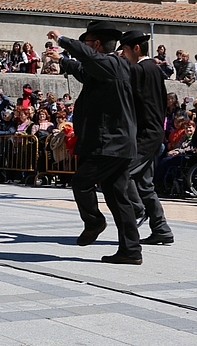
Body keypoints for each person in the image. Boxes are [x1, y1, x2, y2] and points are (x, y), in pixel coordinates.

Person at [45, 21, 142, 265]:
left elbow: (88, 59)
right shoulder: (106, 69)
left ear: (96, 43)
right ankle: (130, 250)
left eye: (88, 42)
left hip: (110, 144)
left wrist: (63, 39)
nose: (86, 46)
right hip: (115, 144)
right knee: (118, 198)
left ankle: (94, 221)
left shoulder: (113, 63)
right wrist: (62, 60)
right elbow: (84, 71)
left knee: (81, 182)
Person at [118, 30, 174, 245]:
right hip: (152, 132)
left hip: (145, 134)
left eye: (124, 49)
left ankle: (137, 209)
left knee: (123, 172)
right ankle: (161, 228)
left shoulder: (142, 69)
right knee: (145, 185)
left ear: (136, 48)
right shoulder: (153, 69)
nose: (123, 53)